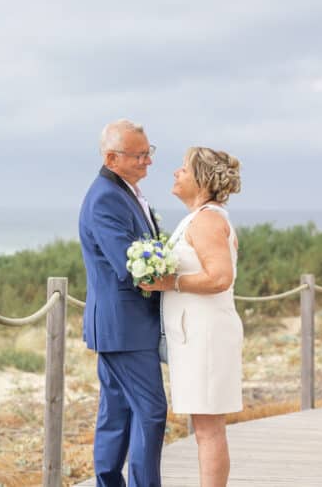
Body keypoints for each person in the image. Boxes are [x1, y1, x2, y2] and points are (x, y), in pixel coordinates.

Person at [146, 146, 243, 487]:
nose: (176, 173)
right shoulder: (201, 217)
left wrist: (170, 281)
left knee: (208, 429)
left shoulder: (207, 220)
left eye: (183, 169)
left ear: (201, 180)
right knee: (206, 427)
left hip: (206, 338)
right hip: (198, 336)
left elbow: (220, 277)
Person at [79, 119, 167, 487]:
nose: (148, 161)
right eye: (140, 155)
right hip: (124, 327)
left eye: (150, 152)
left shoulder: (122, 191)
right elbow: (129, 266)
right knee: (151, 412)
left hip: (123, 326)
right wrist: (183, 282)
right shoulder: (105, 198)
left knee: (117, 414)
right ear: (113, 158)